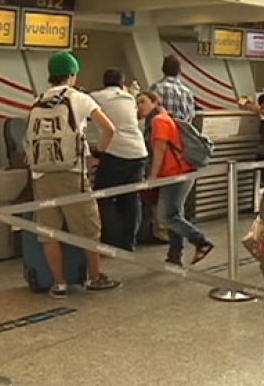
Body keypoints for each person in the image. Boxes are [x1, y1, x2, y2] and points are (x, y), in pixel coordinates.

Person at [29, 51, 122, 297]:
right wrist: (98, 156)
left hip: (41, 175)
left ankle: (59, 283)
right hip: (72, 173)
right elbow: (110, 129)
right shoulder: (78, 98)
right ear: (72, 74)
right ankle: (95, 277)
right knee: (88, 229)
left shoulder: (38, 101)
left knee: (50, 232)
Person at [137, 91, 214, 266]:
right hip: (179, 172)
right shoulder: (164, 118)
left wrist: (153, 177)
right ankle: (174, 256)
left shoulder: (158, 121)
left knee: (166, 217)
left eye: (143, 101)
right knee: (174, 214)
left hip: (174, 174)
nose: (139, 106)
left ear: (156, 102)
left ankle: (201, 241)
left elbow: (160, 150)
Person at [90, 68, 149, 252]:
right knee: (131, 197)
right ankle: (129, 242)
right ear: (122, 83)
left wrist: (97, 153)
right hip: (139, 152)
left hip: (116, 152)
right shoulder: (130, 98)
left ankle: (112, 241)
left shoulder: (96, 96)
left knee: (103, 196)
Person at [148, 54, 195, 123]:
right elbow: (190, 117)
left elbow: (148, 114)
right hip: (180, 132)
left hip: (160, 131)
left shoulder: (155, 89)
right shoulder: (187, 92)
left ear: (163, 69)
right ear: (180, 71)